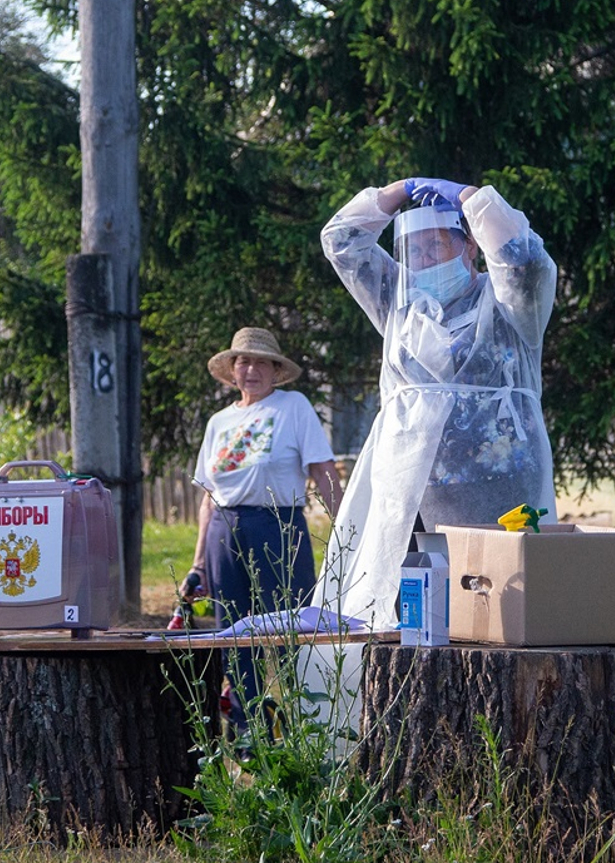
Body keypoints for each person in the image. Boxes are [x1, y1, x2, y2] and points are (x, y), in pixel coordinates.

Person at [314, 176, 557, 631]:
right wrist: (398, 192)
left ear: (471, 246)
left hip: (499, 485)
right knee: (410, 614)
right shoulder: (401, 303)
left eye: (437, 246)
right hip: (410, 485)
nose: (425, 260)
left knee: (496, 604)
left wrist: (470, 199)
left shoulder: (510, 303)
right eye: (416, 251)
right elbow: (342, 242)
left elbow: (525, 259)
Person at [186, 327, 341, 733]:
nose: (251, 370)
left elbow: (322, 470)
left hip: (277, 526)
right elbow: (208, 497)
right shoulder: (219, 422)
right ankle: (248, 731)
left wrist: (345, 527)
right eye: (243, 362)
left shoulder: (293, 407)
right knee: (233, 634)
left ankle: (306, 727)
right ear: (232, 370)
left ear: (275, 371)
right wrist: (199, 564)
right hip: (224, 530)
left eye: (261, 363)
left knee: (292, 627)